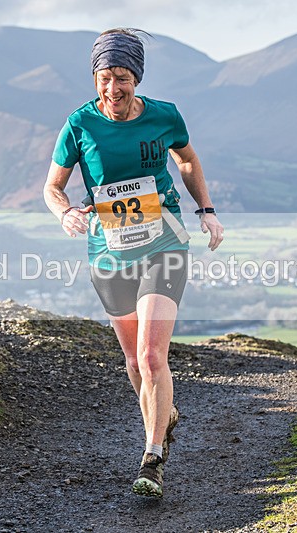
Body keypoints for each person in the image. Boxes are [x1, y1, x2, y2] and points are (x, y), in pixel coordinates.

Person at [43, 28, 223, 499]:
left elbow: (187, 160)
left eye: (121, 77)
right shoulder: (79, 124)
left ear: (136, 78)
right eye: (104, 78)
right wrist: (66, 213)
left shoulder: (165, 116)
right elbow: (53, 187)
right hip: (108, 252)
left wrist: (206, 210)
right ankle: (164, 414)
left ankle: (153, 456)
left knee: (151, 355)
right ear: (95, 78)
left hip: (164, 243)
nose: (112, 89)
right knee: (132, 363)